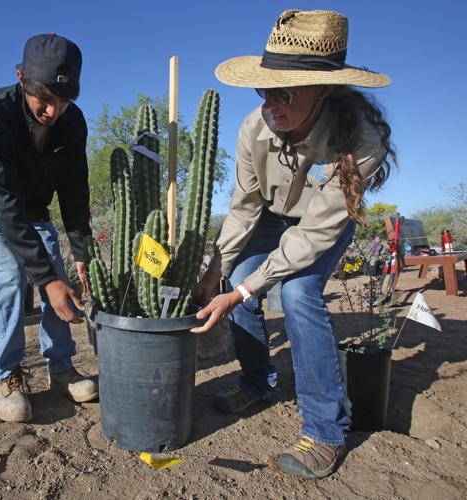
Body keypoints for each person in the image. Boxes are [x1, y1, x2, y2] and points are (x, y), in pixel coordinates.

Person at [191, 9, 397, 479]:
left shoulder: (361, 140)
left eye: (283, 92)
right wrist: (215, 272)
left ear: (324, 90)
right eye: (264, 90)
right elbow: (244, 208)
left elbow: (314, 234)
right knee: (240, 277)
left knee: (298, 294)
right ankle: (256, 382)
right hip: (269, 215)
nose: (271, 104)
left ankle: (325, 430)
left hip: (322, 223)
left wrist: (240, 291)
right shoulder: (254, 129)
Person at [0, 33, 97, 423]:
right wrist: (45, 278)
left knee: (59, 277)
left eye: (63, 101)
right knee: (12, 277)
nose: (53, 111)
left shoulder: (73, 123)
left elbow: (73, 188)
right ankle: (7, 373)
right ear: (21, 78)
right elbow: (4, 205)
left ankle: (61, 367)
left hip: (31, 205)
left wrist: (82, 251)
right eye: (44, 99)